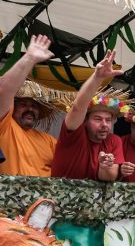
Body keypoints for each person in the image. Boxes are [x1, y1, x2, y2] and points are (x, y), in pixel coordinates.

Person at [0, 34, 60, 177]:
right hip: (8, 198)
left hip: (44, 199)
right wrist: (30, 58)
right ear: (12, 107)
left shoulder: (49, 141)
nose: (30, 109)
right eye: (24, 104)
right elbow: (2, 91)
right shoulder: (3, 126)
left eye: (34, 106)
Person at [50, 50, 126, 181]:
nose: (104, 124)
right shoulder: (74, 134)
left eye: (108, 120)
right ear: (84, 121)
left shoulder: (114, 140)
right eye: (97, 119)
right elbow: (77, 108)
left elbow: (109, 178)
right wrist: (97, 78)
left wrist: (104, 167)